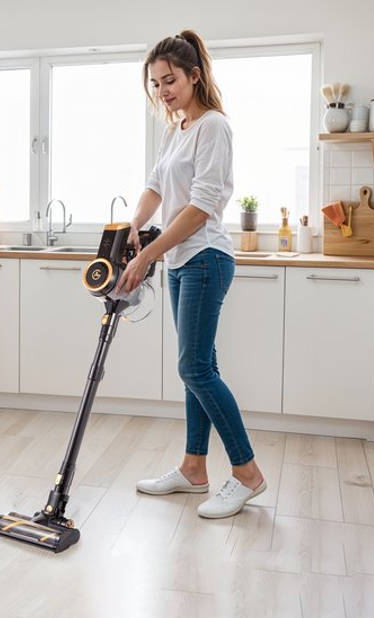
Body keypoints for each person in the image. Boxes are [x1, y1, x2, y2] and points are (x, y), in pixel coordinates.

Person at [117, 29, 266, 519]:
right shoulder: (176, 128)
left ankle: (247, 473)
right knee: (198, 369)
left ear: (194, 75)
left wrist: (147, 256)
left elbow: (201, 208)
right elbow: (157, 184)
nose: (163, 91)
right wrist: (133, 225)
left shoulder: (213, 127)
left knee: (194, 368)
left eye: (170, 80)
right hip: (182, 263)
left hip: (204, 258)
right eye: (156, 83)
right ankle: (194, 468)